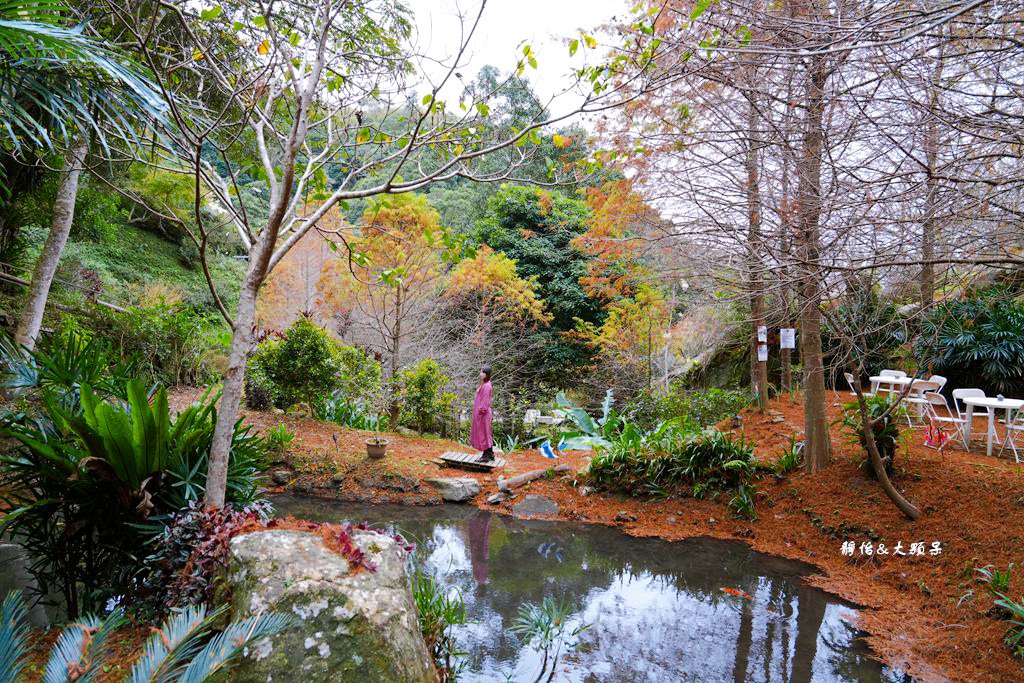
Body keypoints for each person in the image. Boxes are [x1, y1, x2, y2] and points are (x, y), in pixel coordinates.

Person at [470, 365, 494, 462]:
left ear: (486, 374)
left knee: (484, 434)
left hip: (483, 415)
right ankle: (490, 454)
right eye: (481, 372)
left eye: (482, 372)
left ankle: (485, 456)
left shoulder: (487, 386)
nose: (480, 374)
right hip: (482, 414)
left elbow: (484, 402)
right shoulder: (485, 384)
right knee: (486, 433)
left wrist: (480, 412)